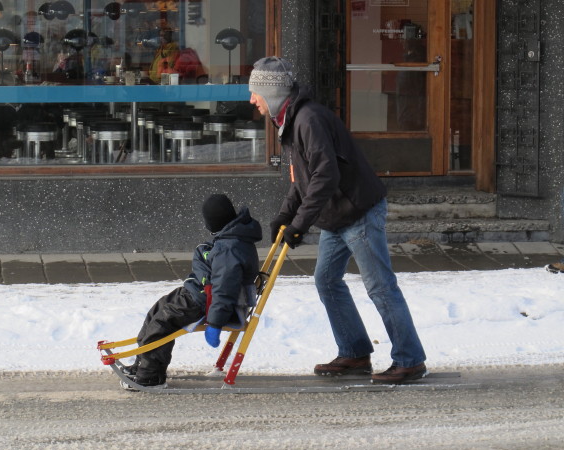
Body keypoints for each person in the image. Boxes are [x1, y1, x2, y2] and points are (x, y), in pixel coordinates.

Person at [248, 56, 427, 385]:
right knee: (327, 281)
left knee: (380, 287)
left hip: (356, 211)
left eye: (255, 92)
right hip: (336, 214)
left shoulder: (307, 120)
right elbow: (303, 179)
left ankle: (410, 359)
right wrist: (287, 215)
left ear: (270, 93)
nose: (251, 100)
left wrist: (300, 223)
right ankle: (355, 352)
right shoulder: (291, 121)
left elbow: (325, 176)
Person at [123, 194, 263, 388]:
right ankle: (143, 364)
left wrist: (215, 322)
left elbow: (224, 290)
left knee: (163, 323)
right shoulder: (232, 239)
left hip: (205, 302)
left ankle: (151, 376)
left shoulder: (229, 248)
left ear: (214, 222)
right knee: (159, 309)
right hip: (199, 293)